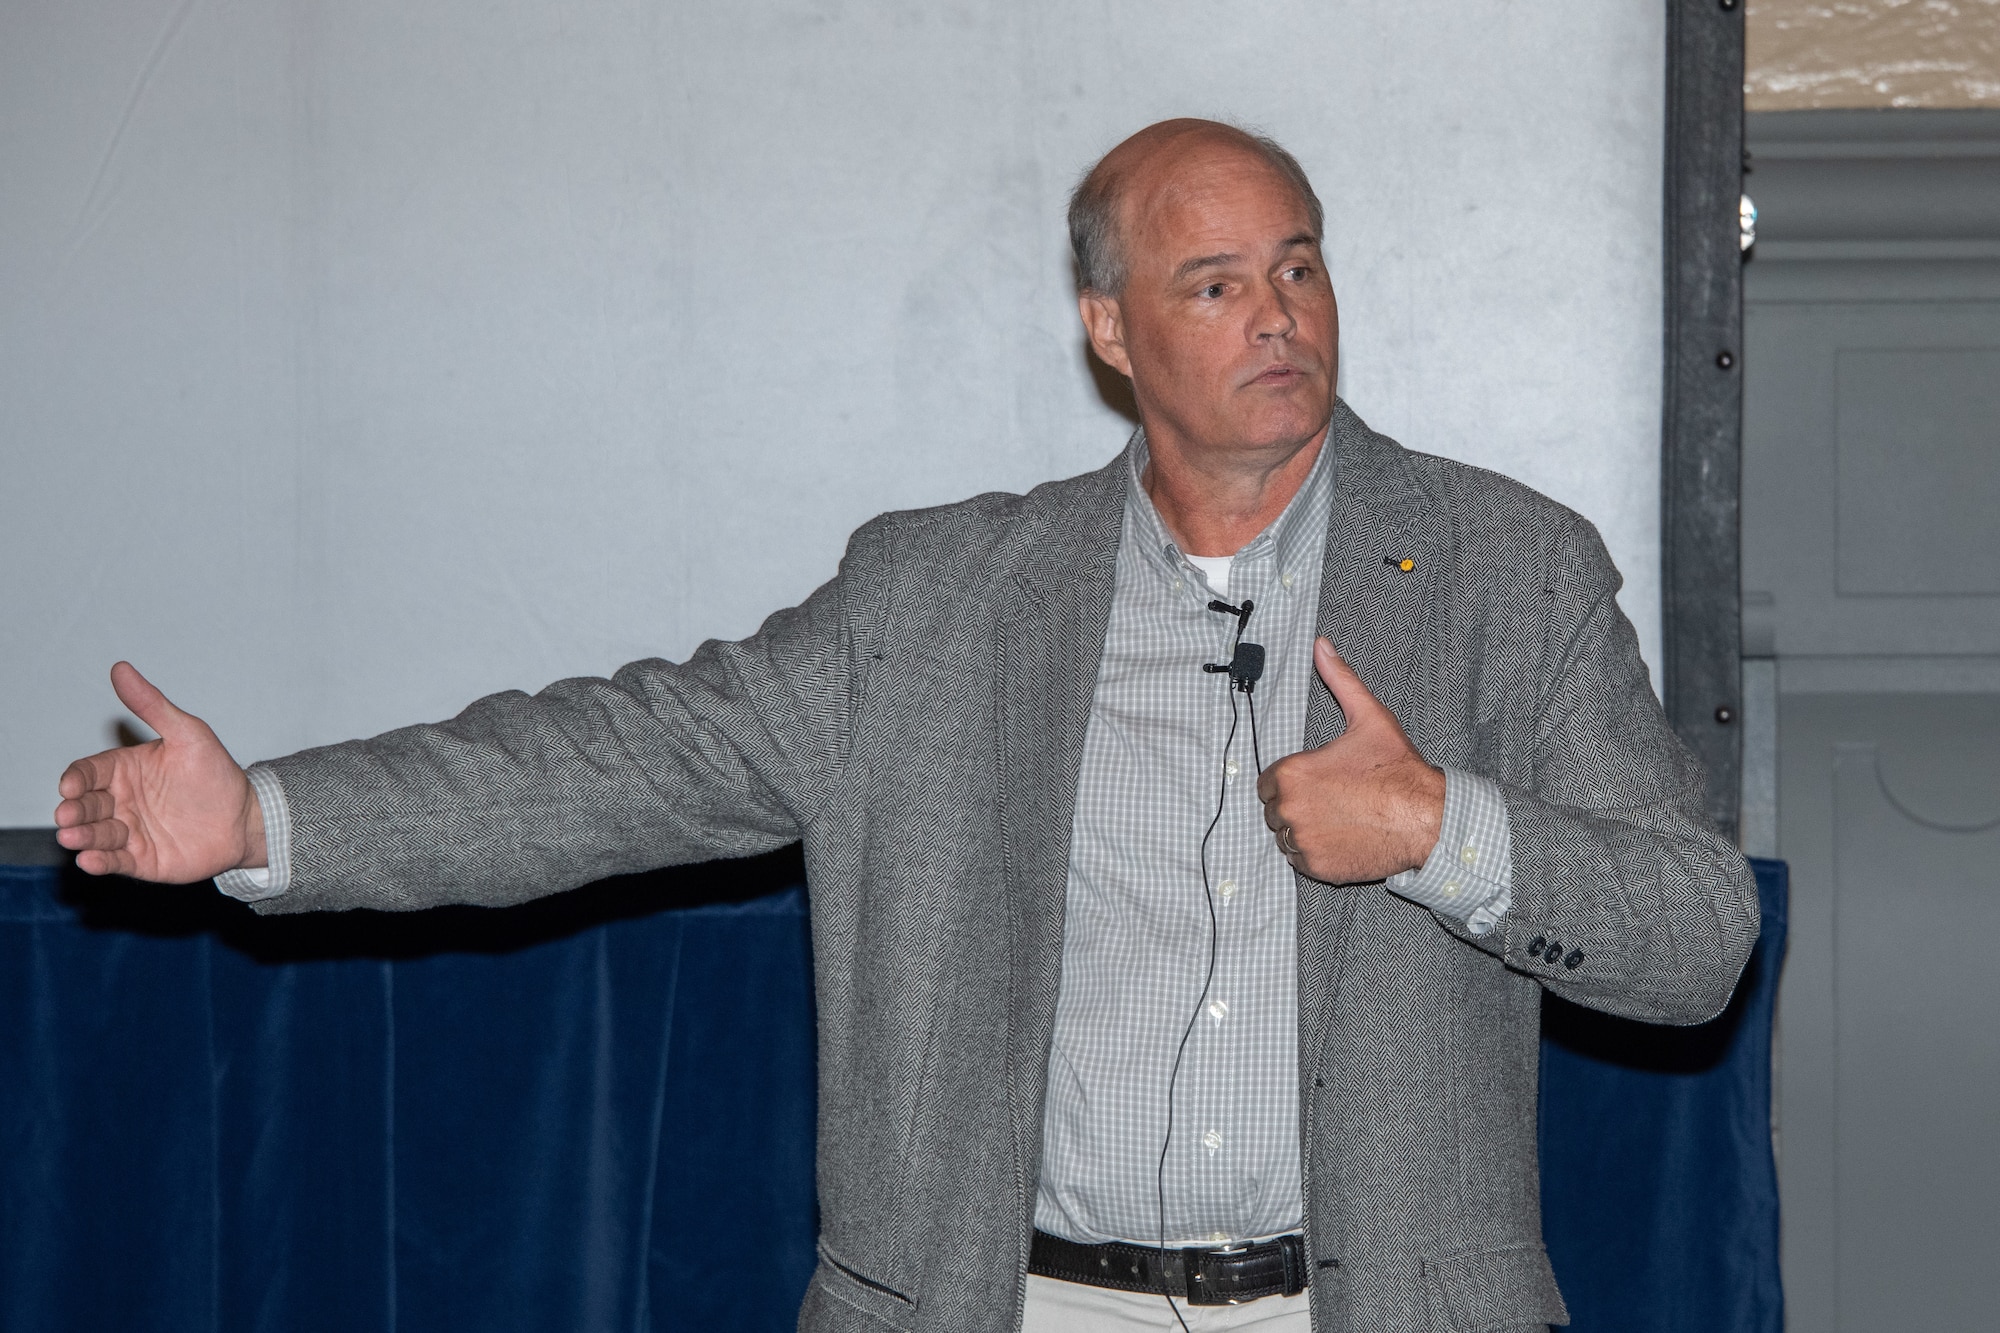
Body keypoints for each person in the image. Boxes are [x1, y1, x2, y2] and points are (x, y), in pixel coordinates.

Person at [54, 119, 1758, 1333]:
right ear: (1111, 332)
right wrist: (266, 817)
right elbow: (622, 757)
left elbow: (1697, 940)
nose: (1280, 315)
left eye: (1299, 267)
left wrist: (1442, 832)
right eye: (1217, 282)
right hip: (997, 1300)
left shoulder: (1502, 569)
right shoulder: (938, 600)